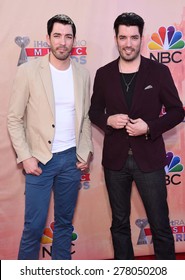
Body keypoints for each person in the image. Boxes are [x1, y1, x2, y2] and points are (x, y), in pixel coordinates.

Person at [89, 12, 184, 260]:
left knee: (160, 225)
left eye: (133, 37)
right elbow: (94, 111)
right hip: (115, 162)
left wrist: (150, 127)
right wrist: (108, 120)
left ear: (141, 39)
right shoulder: (103, 74)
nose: (128, 43)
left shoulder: (159, 72)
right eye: (123, 37)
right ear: (116, 38)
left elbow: (176, 112)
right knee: (119, 225)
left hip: (149, 160)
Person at [7, 14, 93, 260]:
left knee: (64, 225)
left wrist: (85, 151)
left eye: (68, 37)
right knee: (33, 228)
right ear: (47, 39)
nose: (62, 42)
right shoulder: (28, 71)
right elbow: (14, 118)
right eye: (57, 36)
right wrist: (25, 157)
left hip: (70, 161)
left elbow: (85, 117)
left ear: (73, 40)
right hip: (39, 161)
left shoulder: (83, 74)